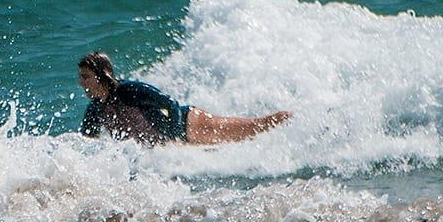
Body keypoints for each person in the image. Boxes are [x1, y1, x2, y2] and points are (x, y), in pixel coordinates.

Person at [77, 51, 291, 146]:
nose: (81, 83)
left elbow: (169, 104)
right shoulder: (95, 110)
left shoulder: (129, 91)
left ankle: (283, 119)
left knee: (250, 129)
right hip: (173, 143)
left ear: (101, 75)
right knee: (234, 143)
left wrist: (175, 136)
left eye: (86, 77)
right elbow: (88, 144)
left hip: (190, 124)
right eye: (81, 77)